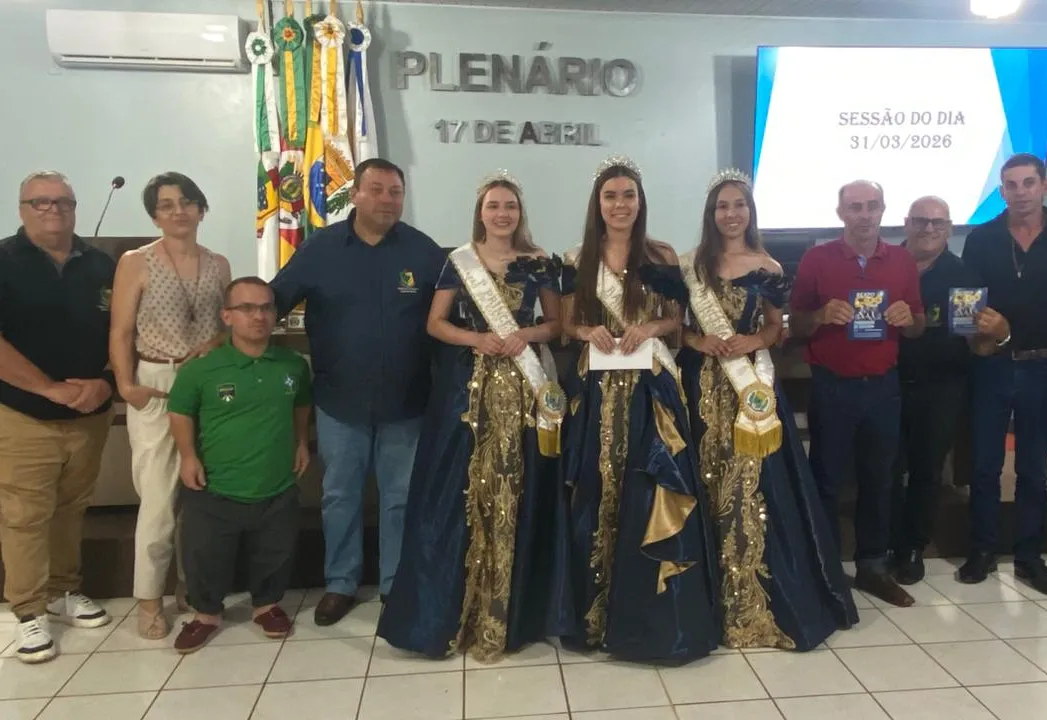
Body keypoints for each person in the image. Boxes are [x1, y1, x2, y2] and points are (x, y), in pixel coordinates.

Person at [378, 171, 566, 662]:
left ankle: (516, 611)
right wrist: (477, 338)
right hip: (469, 392)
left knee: (522, 488)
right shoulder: (459, 261)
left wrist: (526, 335)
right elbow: (435, 324)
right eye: (493, 206)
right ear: (480, 213)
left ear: (520, 213)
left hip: (525, 390)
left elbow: (555, 324)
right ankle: (454, 611)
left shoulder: (539, 262)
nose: (502, 214)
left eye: (510, 206)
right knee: (461, 491)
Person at [677, 170, 857, 651]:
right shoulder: (690, 265)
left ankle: (754, 593)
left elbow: (779, 328)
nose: (731, 213)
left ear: (750, 212)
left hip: (750, 389)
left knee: (753, 484)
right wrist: (698, 340)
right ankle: (706, 599)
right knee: (704, 479)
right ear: (711, 214)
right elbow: (676, 328)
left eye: (739, 204)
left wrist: (753, 340)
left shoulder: (769, 266)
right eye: (722, 206)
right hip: (702, 385)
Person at [556, 155, 720, 665]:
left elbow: (676, 320)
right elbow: (566, 325)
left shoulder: (661, 254)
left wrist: (650, 327)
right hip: (597, 392)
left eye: (628, 195)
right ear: (597, 204)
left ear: (640, 202)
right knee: (597, 489)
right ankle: (595, 614)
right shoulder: (576, 258)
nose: (620, 204)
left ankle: (650, 619)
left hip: (652, 390)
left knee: (649, 492)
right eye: (610, 196)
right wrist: (587, 330)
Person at [270, 158, 446, 625]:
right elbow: (273, 300)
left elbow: (454, 312)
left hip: (407, 402)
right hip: (339, 401)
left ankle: (394, 585)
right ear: (355, 195)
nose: (387, 200)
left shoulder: (424, 252)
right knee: (339, 496)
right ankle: (340, 583)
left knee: (400, 498)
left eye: (395, 192)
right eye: (377, 190)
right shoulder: (320, 249)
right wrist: (226, 332)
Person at [789, 180, 925, 608]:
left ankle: (873, 567)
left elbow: (919, 324)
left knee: (879, 480)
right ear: (840, 212)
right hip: (832, 386)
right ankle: (827, 569)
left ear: (883, 210)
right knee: (827, 480)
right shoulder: (816, 259)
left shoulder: (901, 260)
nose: (864, 214)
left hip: (884, 387)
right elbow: (794, 324)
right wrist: (820, 315)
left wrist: (908, 319)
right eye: (855, 207)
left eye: (871, 206)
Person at [0, 171, 115, 663]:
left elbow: (122, 331)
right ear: (22, 208)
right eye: (41, 202)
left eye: (63, 201)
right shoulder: (4, 260)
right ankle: (28, 611)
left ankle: (65, 590)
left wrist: (105, 382)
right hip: (23, 413)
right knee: (25, 515)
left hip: (90, 411)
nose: (53, 210)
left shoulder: (102, 264)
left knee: (72, 507)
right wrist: (49, 388)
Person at [109, 172, 230, 639]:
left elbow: (225, 325)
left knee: (198, 497)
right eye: (166, 205)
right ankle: (148, 600)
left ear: (201, 209)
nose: (178, 211)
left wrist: (215, 342)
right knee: (159, 500)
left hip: (206, 384)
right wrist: (127, 385)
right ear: (154, 215)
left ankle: (188, 587)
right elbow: (121, 330)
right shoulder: (136, 262)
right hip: (156, 382)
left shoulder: (218, 264)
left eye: (187, 202)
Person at [165, 277, 311, 652]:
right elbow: (180, 411)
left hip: (276, 482)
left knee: (275, 550)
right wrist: (188, 456)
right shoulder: (201, 368)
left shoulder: (293, 365)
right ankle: (206, 615)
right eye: (246, 308)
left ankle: (267, 606)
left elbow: (301, 404)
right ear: (227, 316)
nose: (258, 316)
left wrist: (300, 442)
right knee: (205, 554)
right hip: (216, 485)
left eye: (265, 307)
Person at [959, 153, 1047, 592]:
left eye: (1028, 183)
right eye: (1011, 185)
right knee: (984, 466)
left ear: (1043, 186)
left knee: (1035, 469)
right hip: (992, 365)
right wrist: (982, 335)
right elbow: (966, 309)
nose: (1021, 192)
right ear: (1001, 191)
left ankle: (1029, 556)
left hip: (1042, 366)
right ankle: (983, 551)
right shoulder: (981, 239)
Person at [891, 197, 973, 584]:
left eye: (937, 223)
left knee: (926, 472)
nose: (928, 229)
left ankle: (912, 547)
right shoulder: (884, 265)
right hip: (887, 382)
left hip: (940, 388)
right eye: (921, 221)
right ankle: (884, 542)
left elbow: (972, 338)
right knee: (886, 470)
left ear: (950, 229)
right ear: (906, 223)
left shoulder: (964, 274)